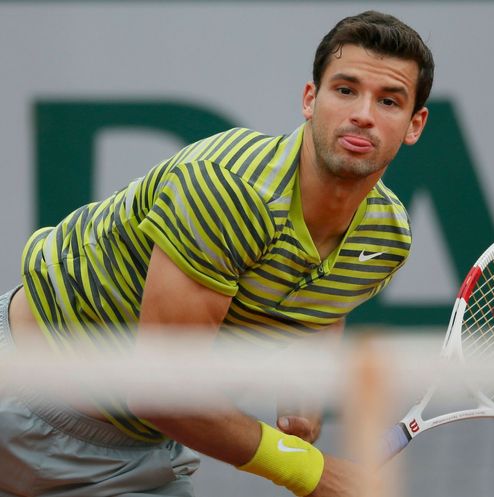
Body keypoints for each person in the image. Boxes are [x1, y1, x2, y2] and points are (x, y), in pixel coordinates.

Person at [0, 10, 433, 497]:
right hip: (16, 394)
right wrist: (312, 471)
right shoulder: (228, 189)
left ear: (414, 125)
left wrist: (302, 393)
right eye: (345, 90)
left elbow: (324, 306)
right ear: (310, 100)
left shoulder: (386, 237)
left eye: (389, 101)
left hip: (135, 456)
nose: (363, 114)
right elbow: (160, 392)